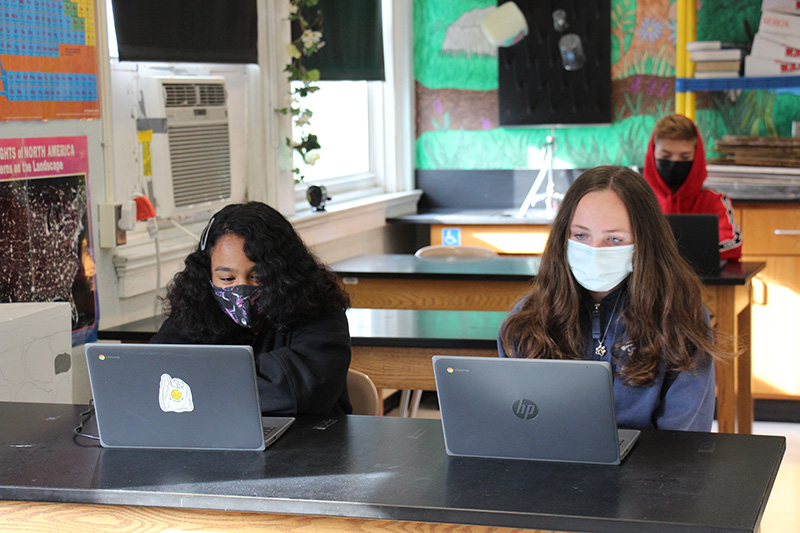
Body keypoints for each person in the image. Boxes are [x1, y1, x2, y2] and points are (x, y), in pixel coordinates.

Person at [498, 166, 721, 431]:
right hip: (554, 468)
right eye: (581, 235)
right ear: (563, 237)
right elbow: (518, 425)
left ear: (644, 243)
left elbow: (685, 441)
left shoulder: (680, 318)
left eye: (614, 239)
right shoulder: (528, 318)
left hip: (649, 469)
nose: (594, 251)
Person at [152, 201, 352, 416]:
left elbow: (299, 390)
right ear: (207, 275)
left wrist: (197, 383)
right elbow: (154, 375)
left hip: (310, 442)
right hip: (218, 442)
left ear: (285, 273)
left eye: (257, 276)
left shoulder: (319, 310)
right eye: (227, 278)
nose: (241, 290)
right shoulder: (193, 310)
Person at [643, 113, 742, 261]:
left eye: (684, 158)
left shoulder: (714, 201)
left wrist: (665, 255)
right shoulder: (637, 199)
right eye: (665, 156)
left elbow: (733, 245)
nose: (674, 162)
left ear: (696, 158)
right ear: (653, 155)